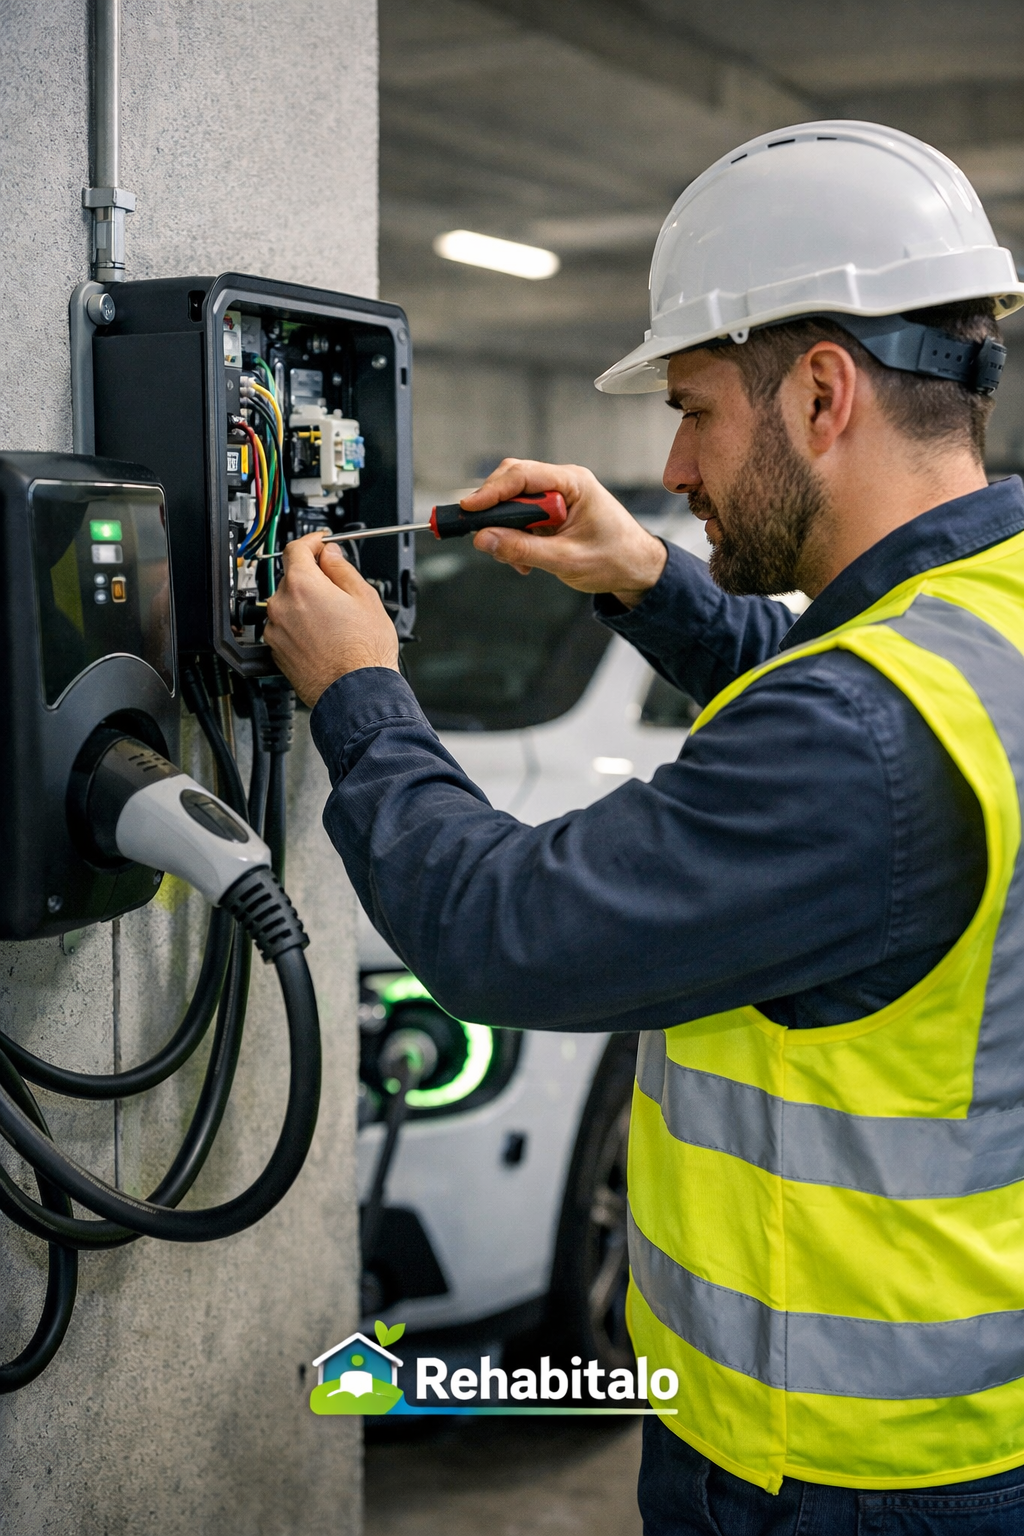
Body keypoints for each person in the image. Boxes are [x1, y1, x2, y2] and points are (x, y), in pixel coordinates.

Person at [265, 121, 1024, 1534]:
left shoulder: (864, 737)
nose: (674, 463)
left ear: (819, 394)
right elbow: (833, 680)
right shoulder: (987, 615)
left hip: (835, 1476)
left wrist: (360, 692)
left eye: (694, 409)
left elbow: (503, 931)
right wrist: (640, 576)